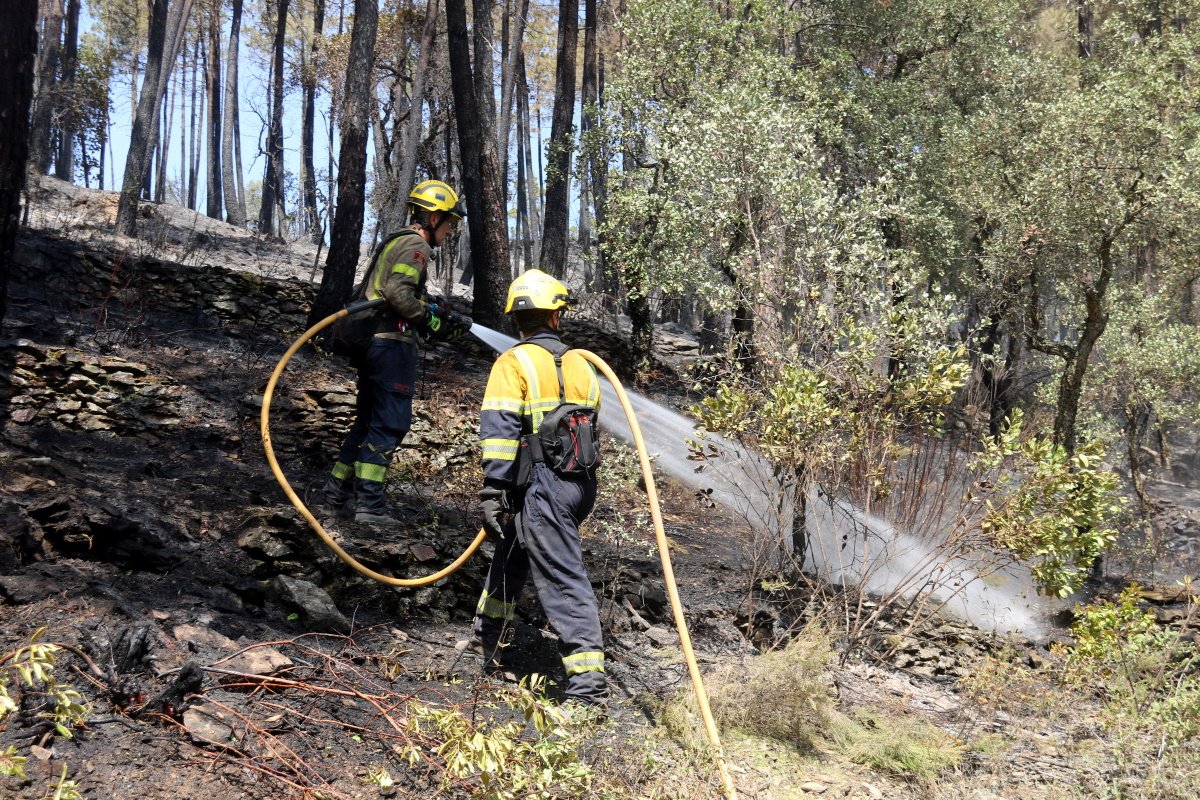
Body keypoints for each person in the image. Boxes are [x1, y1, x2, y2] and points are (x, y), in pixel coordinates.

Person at [472, 269, 607, 707]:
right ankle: (488, 639)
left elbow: (499, 427)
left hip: (543, 486)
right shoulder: (582, 363)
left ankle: (588, 688)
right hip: (578, 484)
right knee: (512, 552)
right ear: (557, 316)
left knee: (563, 578)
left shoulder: (513, 362)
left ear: (517, 320)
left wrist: (494, 487)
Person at [319, 179, 472, 525]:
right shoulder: (416, 245)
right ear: (433, 219)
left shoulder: (399, 241)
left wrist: (432, 307)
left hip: (376, 344)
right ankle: (369, 505)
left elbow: (398, 292)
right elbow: (397, 294)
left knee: (367, 422)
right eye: (450, 222)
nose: (451, 231)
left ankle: (336, 491)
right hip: (390, 347)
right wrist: (430, 322)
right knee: (390, 423)